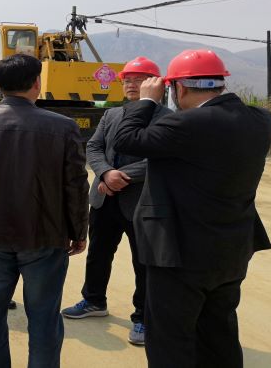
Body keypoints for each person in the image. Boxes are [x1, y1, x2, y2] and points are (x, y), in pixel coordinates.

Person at [112, 49, 271, 367]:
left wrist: (146, 102)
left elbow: (126, 139)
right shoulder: (260, 120)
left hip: (180, 253)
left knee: (170, 340)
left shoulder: (186, 124)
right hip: (232, 250)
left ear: (179, 88)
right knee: (219, 334)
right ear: (221, 83)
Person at [0, 53, 89, 368]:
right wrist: (78, 230)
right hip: (46, 237)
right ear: (37, 83)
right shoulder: (63, 127)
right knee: (44, 317)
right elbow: (75, 186)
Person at [62, 56, 171, 345]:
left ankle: (143, 318)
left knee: (144, 262)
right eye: (127, 80)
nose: (132, 84)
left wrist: (121, 176)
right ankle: (94, 300)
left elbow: (163, 159)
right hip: (105, 199)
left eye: (139, 79)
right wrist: (105, 172)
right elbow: (94, 146)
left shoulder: (167, 119)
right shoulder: (112, 114)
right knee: (98, 253)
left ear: (157, 83)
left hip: (142, 202)